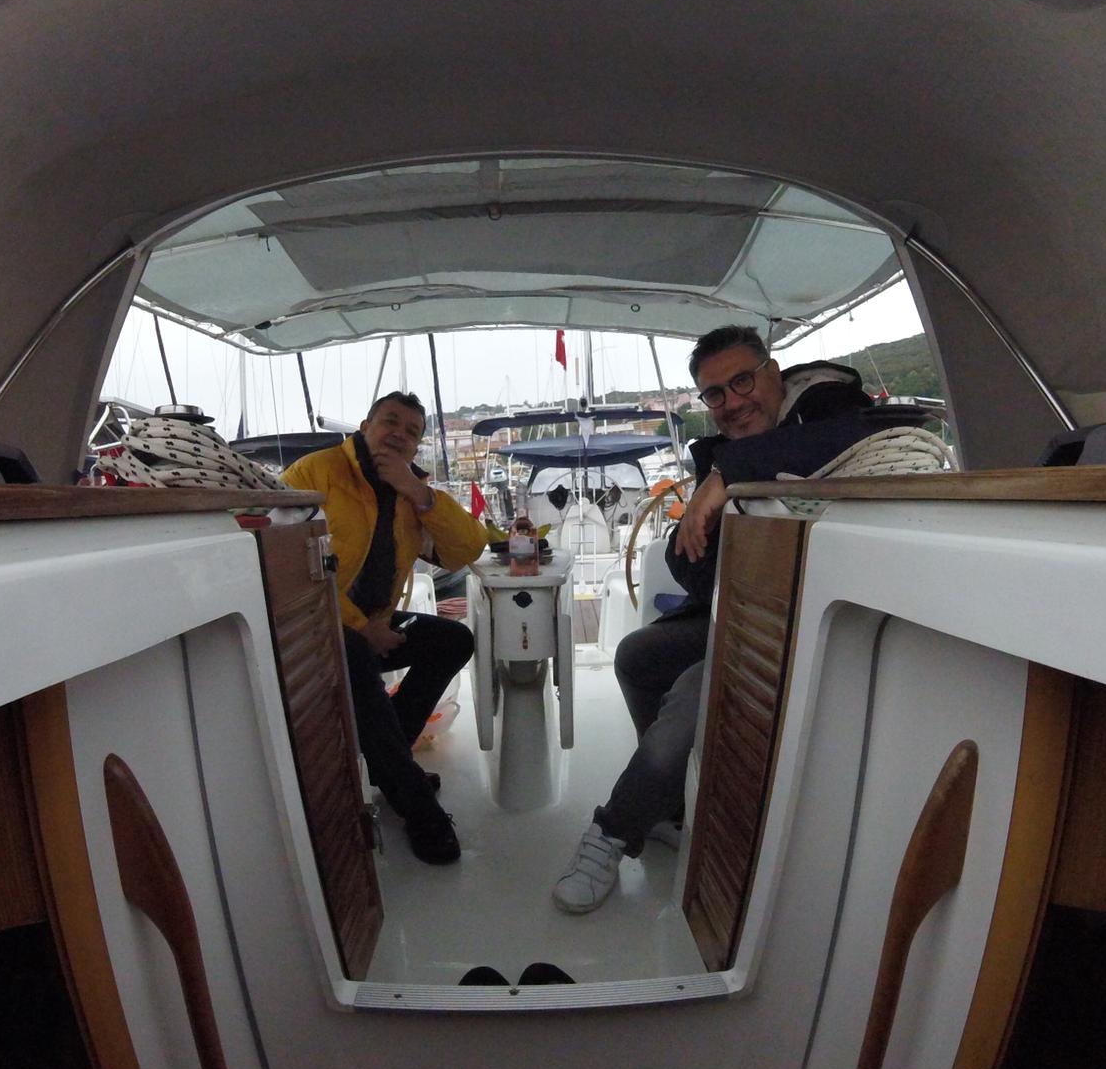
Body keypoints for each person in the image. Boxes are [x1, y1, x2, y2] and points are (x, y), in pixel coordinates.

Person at [552, 326, 885, 912]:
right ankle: (669, 805)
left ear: (773, 373)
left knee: (690, 693)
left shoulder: (827, 407)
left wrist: (726, 474)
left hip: (814, 625)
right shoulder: (717, 455)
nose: (732, 402)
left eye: (742, 381)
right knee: (637, 655)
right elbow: (697, 574)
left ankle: (613, 832)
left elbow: (862, 437)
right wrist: (696, 526)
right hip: (739, 611)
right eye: (715, 393)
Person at [283, 392, 488, 864]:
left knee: (452, 640)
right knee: (355, 653)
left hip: (372, 623)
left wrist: (419, 493)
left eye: (411, 432)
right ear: (365, 426)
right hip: (313, 624)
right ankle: (416, 804)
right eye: (390, 422)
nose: (399, 435)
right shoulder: (314, 473)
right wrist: (361, 627)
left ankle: (390, 763)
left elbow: (467, 548)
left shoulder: (410, 492)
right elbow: (288, 569)